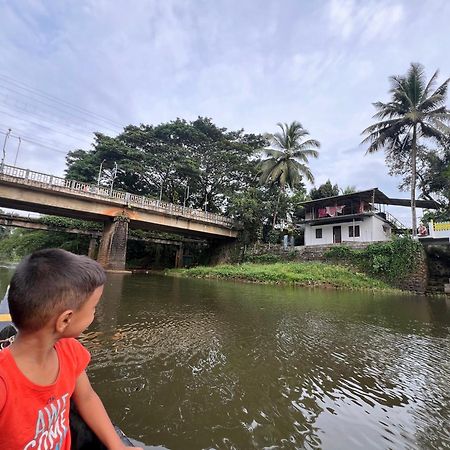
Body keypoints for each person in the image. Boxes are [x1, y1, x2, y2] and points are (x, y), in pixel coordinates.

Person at [0, 249, 141, 450]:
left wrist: (117, 446)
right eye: (93, 309)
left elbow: (86, 397)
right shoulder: (4, 382)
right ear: (65, 319)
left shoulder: (70, 351)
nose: (94, 315)